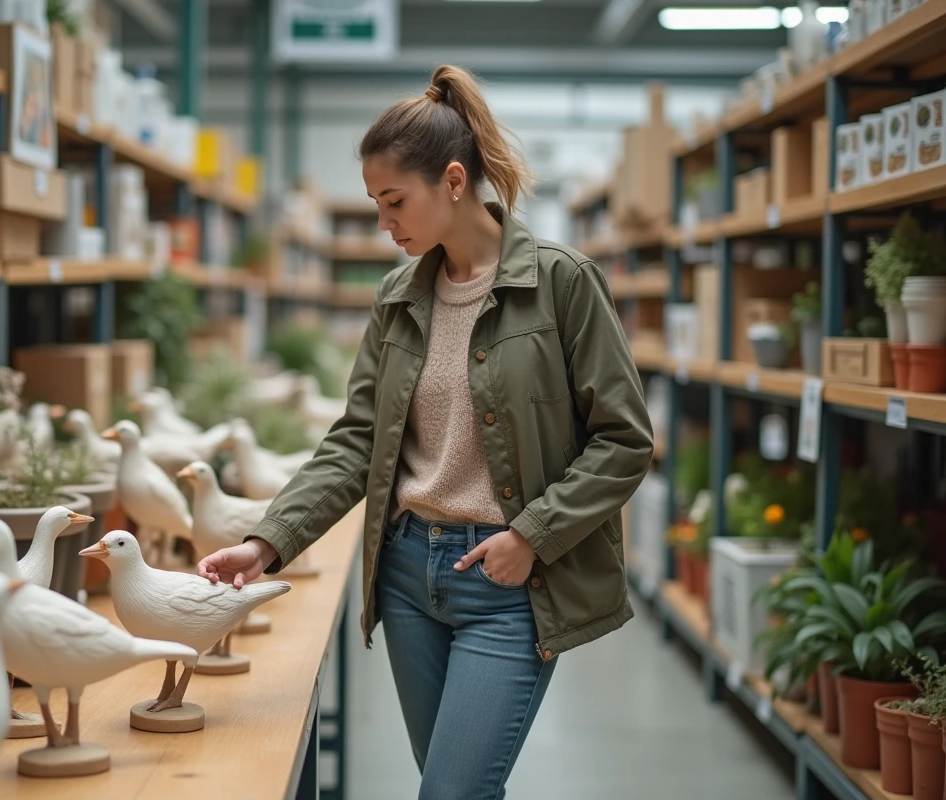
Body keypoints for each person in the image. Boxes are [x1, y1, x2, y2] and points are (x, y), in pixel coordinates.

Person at [197, 65, 654, 800]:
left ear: (452, 181)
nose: (385, 224)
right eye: (376, 206)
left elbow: (624, 441)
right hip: (409, 577)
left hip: (510, 580)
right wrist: (267, 541)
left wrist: (533, 535)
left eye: (395, 202)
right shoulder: (397, 298)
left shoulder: (562, 283)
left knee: (451, 791)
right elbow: (357, 440)